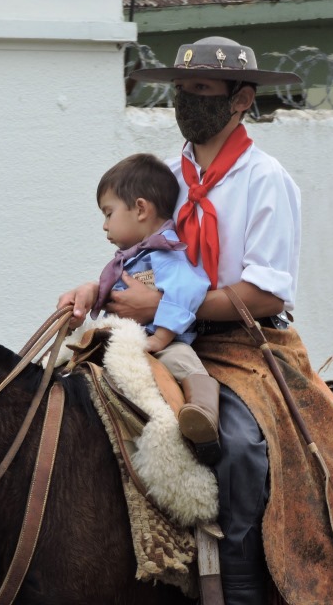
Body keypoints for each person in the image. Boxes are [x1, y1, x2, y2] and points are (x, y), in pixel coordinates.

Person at [60, 37, 333, 605]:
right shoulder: (164, 173)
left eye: (201, 91)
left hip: (246, 343)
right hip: (165, 332)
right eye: (181, 90)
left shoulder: (265, 180)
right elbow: (139, 249)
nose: (186, 102)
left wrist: (168, 308)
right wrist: (93, 288)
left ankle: (242, 585)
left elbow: (265, 295)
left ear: (241, 99)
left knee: (240, 446)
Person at [91, 153, 220, 463]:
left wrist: (161, 337)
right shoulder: (131, 258)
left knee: (181, 360)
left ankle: (204, 417)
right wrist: (90, 294)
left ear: (140, 209)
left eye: (109, 213)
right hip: (129, 339)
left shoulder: (164, 253)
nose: (105, 226)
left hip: (161, 342)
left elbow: (189, 289)